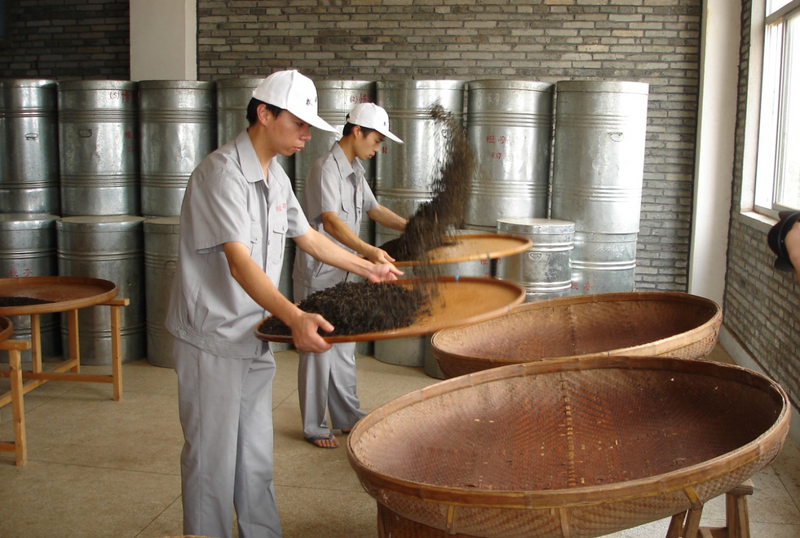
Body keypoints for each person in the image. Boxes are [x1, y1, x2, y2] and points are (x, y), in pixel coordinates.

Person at [165, 70, 402, 538]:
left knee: (254, 456)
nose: (306, 134)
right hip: (210, 340)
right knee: (212, 461)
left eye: (309, 125)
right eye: (297, 122)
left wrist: (367, 265)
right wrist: (293, 316)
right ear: (264, 113)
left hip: (252, 337)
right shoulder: (221, 175)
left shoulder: (276, 178)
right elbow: (239, 262)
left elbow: (309, 236)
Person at [292, 103, 408, 448]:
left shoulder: (355, 170)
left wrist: (412, 226)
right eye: (375, 140)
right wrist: (369, 252)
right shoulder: (325, 169)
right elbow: (330, 221)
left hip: (347, 271)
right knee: (317, 347)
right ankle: (314, 425)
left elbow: (374, 209)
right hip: (321, 273)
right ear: (356, 131)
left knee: (344, 346)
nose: (377, 148)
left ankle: (346, 416)